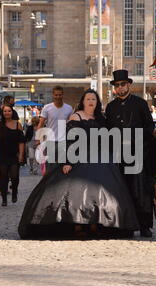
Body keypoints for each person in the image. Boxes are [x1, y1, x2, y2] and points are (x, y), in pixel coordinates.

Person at [18, 89, 139, 239]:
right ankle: (77, 225)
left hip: (100, 158)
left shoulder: (101, 118)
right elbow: (70, 140)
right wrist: (67, 161)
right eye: (88, 99)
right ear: (83, 101)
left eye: (94, 99)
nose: (91, 102)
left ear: (97, 102)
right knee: (77, 193)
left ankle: (96, 224)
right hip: (78, 156)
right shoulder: (76, 117)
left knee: (101, 192)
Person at [105, 70, 156, 238]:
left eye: (123, 84)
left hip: (138, 154)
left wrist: (137, 138)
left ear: (128, 85)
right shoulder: (111, 107)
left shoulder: (140, 104)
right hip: (118, 155)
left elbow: (150, 127)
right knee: (121, 190)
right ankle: (124, 225)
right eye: (117, 85)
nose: (120, 88)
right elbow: (107, 130)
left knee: (141, 191)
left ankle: (144, 225)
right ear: (114, 88)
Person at [0, 105, 25, 206]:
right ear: (3, 113)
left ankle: (14, 191)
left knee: (14, 176)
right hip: (2, 154)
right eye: (5, 111)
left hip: (14, 154)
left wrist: (21, 155)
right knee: (3, 176)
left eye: (9, 111)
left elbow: (21, 141)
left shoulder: (18, 125)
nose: (7, 113)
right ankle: (4, 198)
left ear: (12, 112)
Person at [37, 85, 73, 173]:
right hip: (50, 141)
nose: (58, 97)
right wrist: (38, 139)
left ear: (63, 95)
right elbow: (41, 123)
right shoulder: (47, 108)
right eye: (56, 95)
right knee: (50, 167)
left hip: (63, 141)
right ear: (53, 95)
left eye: (60, 95)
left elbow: (72, 125)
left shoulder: (69, 108)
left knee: (61, 167)